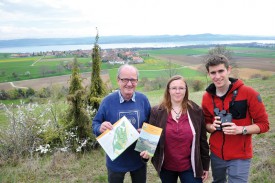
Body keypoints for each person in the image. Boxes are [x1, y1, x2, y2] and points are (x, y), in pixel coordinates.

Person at [201, 54, 270, 183]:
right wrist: (211, 126)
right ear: (208, 74)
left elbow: (264, 124)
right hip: (216, 154)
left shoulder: (249, 93)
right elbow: (205, 123)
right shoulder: (206, 97)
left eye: (221, 71)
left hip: (240, 155)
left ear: (229, 70)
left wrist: (241, 129)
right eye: (213, 72)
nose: (217, 76)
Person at [141, 75, 210, 183]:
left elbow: (202, 141)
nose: (177, 91)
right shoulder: (157, 111)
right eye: (174, 88)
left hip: (190, 167)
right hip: (166, 167)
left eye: (181, 88)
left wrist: (205, 165)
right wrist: (145, 153)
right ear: (168, 90)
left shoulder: (196, 111)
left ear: (186, 90)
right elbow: (148, 141)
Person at [92, 64, 151, 183]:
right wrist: (100, 128)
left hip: (138, 159)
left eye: (133, 80)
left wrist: (147, 138)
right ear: (118, 80)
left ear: (137, 81)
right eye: (125, 79)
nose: (129, 84)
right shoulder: (107, 101)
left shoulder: (143, 100)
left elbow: (151, 125)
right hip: (116, 161)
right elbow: (95, 124)